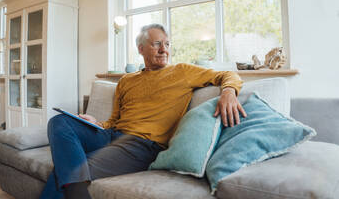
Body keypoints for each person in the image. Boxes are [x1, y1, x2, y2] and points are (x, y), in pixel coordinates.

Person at [40, 23, 247, 199]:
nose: (163, 49)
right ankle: (77, 186)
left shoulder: (183, 72)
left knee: (67, 170)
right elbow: (114, 120)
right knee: (59, 122)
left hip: (143, 145)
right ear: (141, 48)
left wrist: (228, 92)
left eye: (167, 44)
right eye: (156, 44)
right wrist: (96, 123)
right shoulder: (127, 80)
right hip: (112, 135)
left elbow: (228, 75)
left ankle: (76, 190)